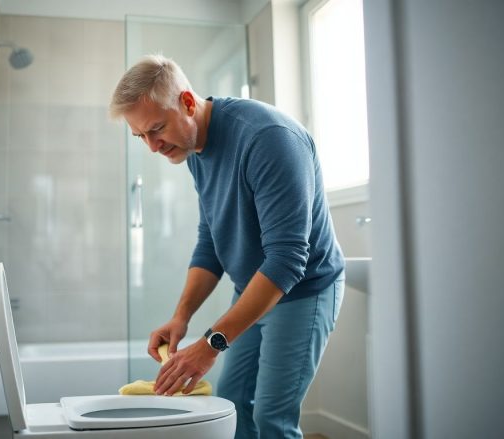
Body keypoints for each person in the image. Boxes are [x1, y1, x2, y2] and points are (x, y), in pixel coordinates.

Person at [109, 54, 345, 439]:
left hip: (303, 290)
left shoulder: (268, 139)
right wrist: (181, 316)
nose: (152, 147)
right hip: (253, 288)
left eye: (156, 130)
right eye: (141, 137)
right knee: (233, 403)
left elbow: (287, 260)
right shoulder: (191, 148)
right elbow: (211, 240)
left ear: (187, 102)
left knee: (272, 417)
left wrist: (212, 343)